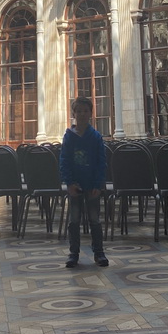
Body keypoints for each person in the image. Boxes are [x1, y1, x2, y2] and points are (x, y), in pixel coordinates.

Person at [59, 96, 108, 268]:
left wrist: (98, 184)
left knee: (95, 219)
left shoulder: (95, 137)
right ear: (73, 113)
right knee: (74, 220)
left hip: (91, 184)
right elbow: (64, 160)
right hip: (75, 185)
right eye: (78, 111)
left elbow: (101, 161)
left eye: (85, 111)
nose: (81, 114)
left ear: (90, 114)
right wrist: (69, 182)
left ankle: (99, 253)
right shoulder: (69, 137)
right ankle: (74, 253)